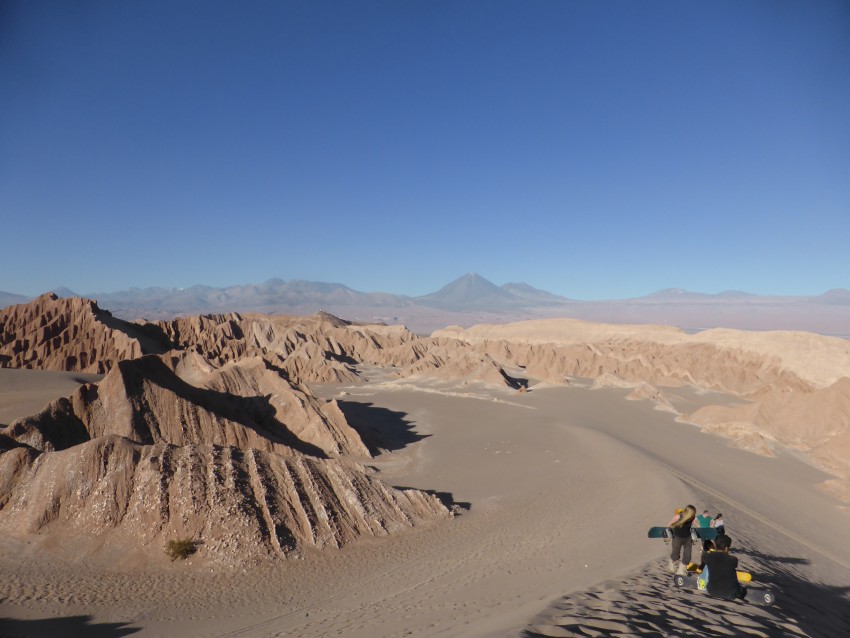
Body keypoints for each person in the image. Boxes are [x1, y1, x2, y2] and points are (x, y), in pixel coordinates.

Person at [701, 534, 746, 600]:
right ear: (726, 548)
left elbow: (704, 556)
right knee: (740, 586)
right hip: (729, 594)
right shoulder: (733, 559)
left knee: (709, 567)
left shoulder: (707, 556)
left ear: (715, 545)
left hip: (711, 591)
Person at [668, 504, 696, 574]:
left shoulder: (692, 517)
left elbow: (692, 524)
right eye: (693, 512)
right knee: (675, 554)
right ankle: (671, 564)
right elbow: (670, 523)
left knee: (688, 555)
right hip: (677, 537)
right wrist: (668, 534)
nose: (694, 513)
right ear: (690, 512)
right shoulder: (678, 516)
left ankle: (681, 570)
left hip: (687, 537)